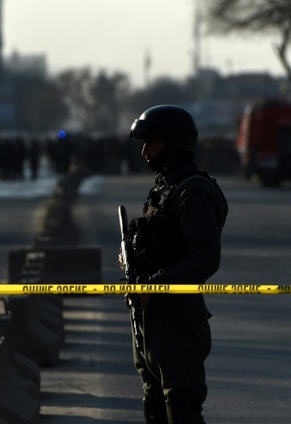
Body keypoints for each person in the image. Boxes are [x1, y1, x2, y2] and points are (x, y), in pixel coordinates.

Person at [119, 104, 228, 423]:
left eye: (151, 143)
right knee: (154, 404)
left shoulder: (194, 192)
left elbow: (205, 258)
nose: (144, 151)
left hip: (177, 318)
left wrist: (156, 285)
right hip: (150, 316)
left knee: (181, 406)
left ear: (173, 144)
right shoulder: (165, 189)